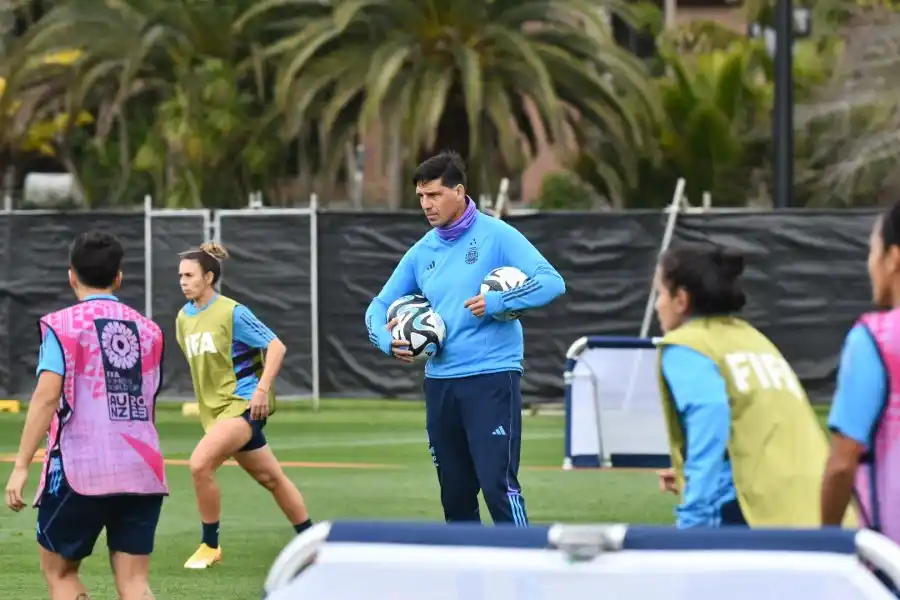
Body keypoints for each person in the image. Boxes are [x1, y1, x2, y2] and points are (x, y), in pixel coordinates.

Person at [364, 151, 566, 526]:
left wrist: (498, 301)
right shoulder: (422, 251)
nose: (427, 204)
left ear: (459, 191)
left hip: (492, 378)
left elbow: (553, 282)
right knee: (455, 495)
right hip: (440, 384)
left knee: (497, 486)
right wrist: (383, 338)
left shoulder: (497, 235)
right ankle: (467, 579)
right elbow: (379, 305)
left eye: (435, 195)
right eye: (421, 197)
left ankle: (526, 571)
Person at [4, 231, 167, 600]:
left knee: (60, 572)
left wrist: (21, 465)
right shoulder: (150, 330)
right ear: (119, 277)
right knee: (135, 582)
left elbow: (46, 398)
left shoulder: (61, 326)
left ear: (71, 275)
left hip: (80, 469)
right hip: (143, 469)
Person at [653, 242, 856, 528]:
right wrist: (704, 473)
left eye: (660, 293)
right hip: (822, 511)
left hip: (771, 522)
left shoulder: (687, 346)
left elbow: (709, 414)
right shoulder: (753, 339)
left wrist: (694, 516)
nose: (657, 304)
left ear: (681, 299)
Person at [176, 241, 312, 569]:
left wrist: (262, 390)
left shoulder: (232, 312)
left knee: (199, 464)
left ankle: (210, 545)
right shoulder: (183, 318)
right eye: (180, 275)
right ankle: (312, 540)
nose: (183, 281)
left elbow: (276, 347)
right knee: (272, 479)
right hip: (216, 413)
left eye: (189, 275)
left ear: (208, 277)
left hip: (242, 406)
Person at [822, 203, 900, 539]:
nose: (870, 265)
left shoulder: (875, 338)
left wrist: (826, 538)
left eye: (872, 251)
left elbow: (842, 462)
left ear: (893, 257)